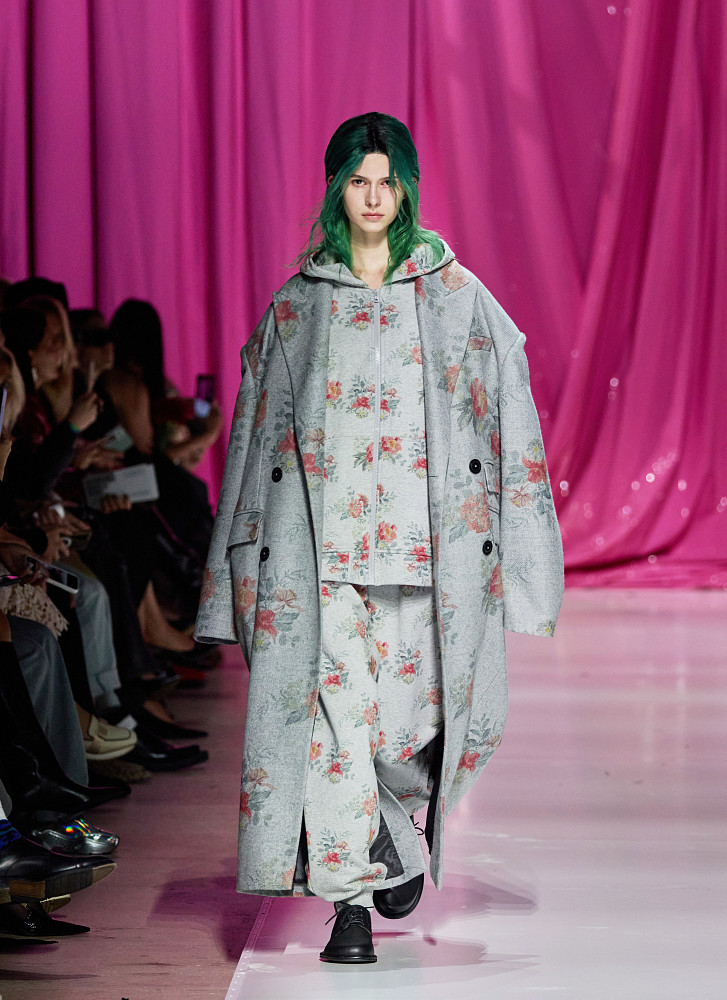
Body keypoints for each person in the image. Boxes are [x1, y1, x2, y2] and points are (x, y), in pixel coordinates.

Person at [195, 112, 564, 964]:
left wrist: (526, 565)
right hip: (317, 559)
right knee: (334, 730)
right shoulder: (297, 307)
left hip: (429, 557)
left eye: (385, 181)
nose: (371, 197)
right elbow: (253, 441)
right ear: (334, 189)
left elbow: (511, 423)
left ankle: (392, 831)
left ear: (406, 188)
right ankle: (350, 906)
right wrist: (227, 578)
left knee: (420, 728)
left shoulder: (456, 296)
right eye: (356, 181)